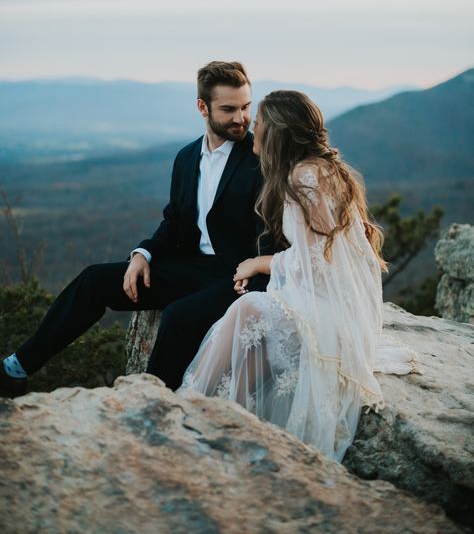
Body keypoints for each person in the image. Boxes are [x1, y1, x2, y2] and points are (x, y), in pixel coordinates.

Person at [0, 61, 271, 398]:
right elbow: (175, 220)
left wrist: (258, 274)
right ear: (202, 107)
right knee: (94, 280)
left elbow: (272, 234)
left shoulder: (261, 159)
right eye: (228, 109)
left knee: (178, 317)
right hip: (191, 269)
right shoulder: (187, 158)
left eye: (246, 107)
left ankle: (149, 403)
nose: (241, 118)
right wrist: (144, 253)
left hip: (237, 278)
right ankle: (16, 368)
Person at [178, 90, 418, 462]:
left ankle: (193, 410)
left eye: (258, 121)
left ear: (275, 132)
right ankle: (224, 415)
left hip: (331, 314)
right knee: (251, 313)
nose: (251, 127)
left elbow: (317, 263)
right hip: (334, 306)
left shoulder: (303, 177)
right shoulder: (315, 170)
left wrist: (258, 264)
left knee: (248, 310)